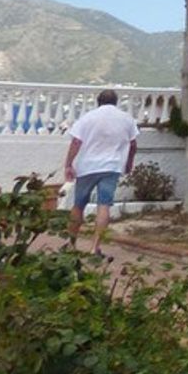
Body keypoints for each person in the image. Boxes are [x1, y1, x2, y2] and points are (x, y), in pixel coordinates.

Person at [63, 89, 139, 252]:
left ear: (98, 101)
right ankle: (95, 247)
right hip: (112, 166)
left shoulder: (88, 118)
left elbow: (76, 142)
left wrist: (68, 164)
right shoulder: (127, 119)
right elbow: (133, 145)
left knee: (78, 205)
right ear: (115, 102)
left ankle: (70, 245)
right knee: (104, 205)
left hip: (87, 167)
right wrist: (128, 163)